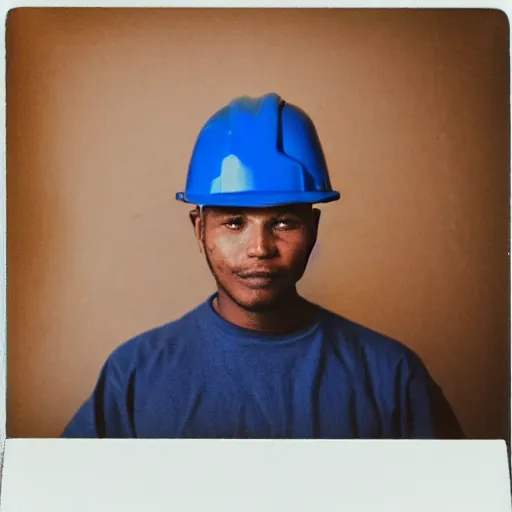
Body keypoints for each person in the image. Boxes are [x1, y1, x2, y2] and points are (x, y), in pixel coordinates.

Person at [61, 93, 463, 439]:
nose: (259, 248)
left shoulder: (391, 375)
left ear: (313, 228)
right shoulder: (133, 373)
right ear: (200, 229)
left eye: (284, 222)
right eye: (234, 222)